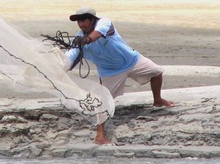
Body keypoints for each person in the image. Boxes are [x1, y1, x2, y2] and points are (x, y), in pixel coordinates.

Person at [66, 7, 174, 145]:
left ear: (92, 19)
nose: (81, 25)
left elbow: (98, 34)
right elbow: (69, 59)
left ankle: (158, 100)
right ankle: (100, 136)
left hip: (132, 61)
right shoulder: (78, 39)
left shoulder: (104, 23)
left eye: (83, 20)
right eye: (78, 22)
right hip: (110, 72)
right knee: (103, 101)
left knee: (156, 72)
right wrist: (61, 67)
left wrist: (86, 40)